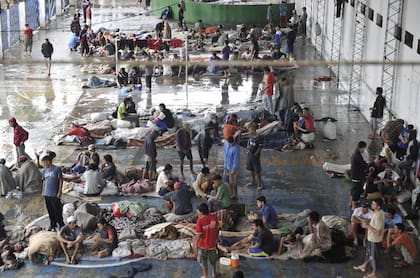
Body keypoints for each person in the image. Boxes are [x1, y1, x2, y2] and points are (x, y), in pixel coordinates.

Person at [353, 199, 385, 278]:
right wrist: (364, 222)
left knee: (373, 256)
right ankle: (364, 266)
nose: (371, 205)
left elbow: (378, 232)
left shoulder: (378, 216)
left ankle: (374, 273)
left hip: (375, 239)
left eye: (374, 204)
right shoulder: (376, 212)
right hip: (371, 238)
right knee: (368, 253)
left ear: (378, 206)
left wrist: (367, 226)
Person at [41, 153, 64, 231]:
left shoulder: (57, 169)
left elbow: (61, 180)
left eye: (44, 162)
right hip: (47, 194)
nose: (44, 164)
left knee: (57, 210)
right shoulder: (44, 170)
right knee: (50, 210)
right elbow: (44, 181)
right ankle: (52, 224)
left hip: (54, 194)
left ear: (48, 161)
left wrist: (59, 191)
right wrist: (43, 191)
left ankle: (61, 224)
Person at [195, 203, 219, 278]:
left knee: (203, 261)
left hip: (203, 245)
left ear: (201, 212)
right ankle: (214, 274)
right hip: (212, 244)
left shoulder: (200, 221)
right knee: (213, 260)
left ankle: (205, 276)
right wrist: (215, 238)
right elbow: (217, 229)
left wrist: (195, 245)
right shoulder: (214, 217)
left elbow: (198, 235)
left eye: (198, 211)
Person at [350, 141, 368, 210]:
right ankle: (353, 206)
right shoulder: (357, 156)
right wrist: (368, 165)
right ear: (362, 148)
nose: (364, 150)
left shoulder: (355, 154)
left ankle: (351, 203)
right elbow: (363, 165)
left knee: (353, 190)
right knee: (356, 191)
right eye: (364, 148)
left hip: (354, 175)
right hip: (357, 176)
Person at [246, 124, 263, 190]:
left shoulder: (258, 137)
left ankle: (259, 184)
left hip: (255, 156)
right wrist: (247, 146)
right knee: (251, 169)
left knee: (257, 170)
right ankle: (253, 181)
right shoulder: (251, 136)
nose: (249, 131)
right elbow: (248, 141)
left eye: (250, 130)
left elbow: (260, 146)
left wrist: (256, 153)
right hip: (249, 155)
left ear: (253, 130)